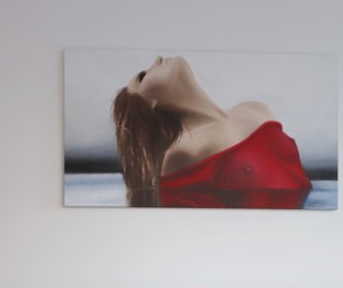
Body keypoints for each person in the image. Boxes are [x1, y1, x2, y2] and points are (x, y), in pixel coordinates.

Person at [112, 55, 312, 208]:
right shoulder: (182, 152)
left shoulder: (255, 108)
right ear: (150, 104)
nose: (157, 59)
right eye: (142, 77)